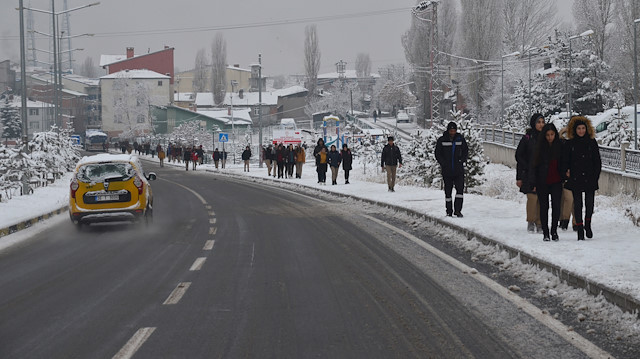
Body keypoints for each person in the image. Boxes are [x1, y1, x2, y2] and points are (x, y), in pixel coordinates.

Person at [563, 116, 602, 241]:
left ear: (587, 129)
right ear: (575, 130)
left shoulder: (591, 142)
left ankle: (588, 224)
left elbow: (597, 161)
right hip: (576, 177)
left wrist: (595, 176)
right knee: (578, 203)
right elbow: (565, 160)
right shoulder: (570, 143)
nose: (581, 131)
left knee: (589, 203)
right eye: (578, 129)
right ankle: (579, 228)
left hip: (590, 176)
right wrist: (567, 172)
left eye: (583, 128)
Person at [530, 123, 563, 241]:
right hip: (542, 181)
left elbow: (563, 163)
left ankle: (554, 231)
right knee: (544, 207)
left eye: (552, 134)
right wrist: (533, 182)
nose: (550, 137)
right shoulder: (539, 148)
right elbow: (534, 166)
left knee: (556, 206)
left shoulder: (560, 146)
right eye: (547, 135)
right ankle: (546, 232)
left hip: (556, 181)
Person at [516, 113, 545, 233]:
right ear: (533, 123)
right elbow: (519, 156)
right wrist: (520, 175)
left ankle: (540, 223)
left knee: (541, 198)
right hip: (528, 173)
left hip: (542, 173)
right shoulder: (527, 138)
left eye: (543, 122)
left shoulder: (546, 137)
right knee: (532, 198)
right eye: (539, 122)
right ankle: (531, 221)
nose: (541, 125)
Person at [435, 121, 469, 217]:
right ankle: (449, 210)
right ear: (448, 130)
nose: (452, 132)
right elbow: (438, 153)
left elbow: (465, 151)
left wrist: (461, 160)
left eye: (454, 130)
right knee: (448, 192)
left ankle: (458, 210)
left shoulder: (460, 139)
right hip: (447, 170)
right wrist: (443, 163)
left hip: (458, 170)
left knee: (459, 191)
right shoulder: (442, 140)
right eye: (451, 130)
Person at [558, 126, 575, 231]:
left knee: (575, 200)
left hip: (577, 175)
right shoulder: (562, 142)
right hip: (565, 175)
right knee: (568, 199)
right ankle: (564, 220)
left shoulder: (579, 140)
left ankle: (576, 222)